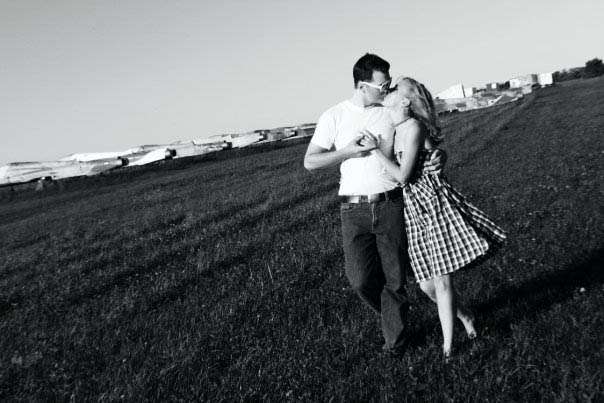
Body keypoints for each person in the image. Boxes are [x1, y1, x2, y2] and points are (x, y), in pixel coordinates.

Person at [303, 54, 446, 355]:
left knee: (395, 278)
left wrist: (438, 156)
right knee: (360, 280)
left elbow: (423, 138)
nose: (388, 90)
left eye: (389, 84)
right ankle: (393, 315)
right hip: (352, 209)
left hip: (390, 203)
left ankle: (396, 343)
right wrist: (346, 152)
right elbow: (310, 162)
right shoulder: (334, 116)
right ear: (361, 85)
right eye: (383, 85)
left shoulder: (389, 111)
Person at [371, 76, 507, 360]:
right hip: (413, 209)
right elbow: (432, 151)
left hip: (432, 205)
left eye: (395, 89)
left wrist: (375, 152)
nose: (389, 91)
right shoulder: (397, 128)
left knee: (442, 281)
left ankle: (448, 349)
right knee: (427, 286)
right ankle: (465, 316)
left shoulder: (413, 127)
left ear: (405, 101)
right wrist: (438, 155)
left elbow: (402, 176)